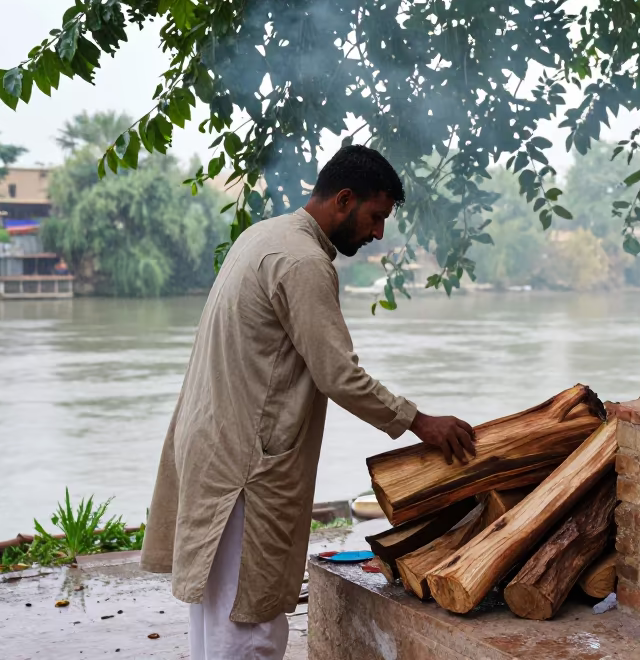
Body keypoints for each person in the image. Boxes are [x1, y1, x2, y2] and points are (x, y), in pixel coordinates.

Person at [140, 145, 476, 660]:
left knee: (216, 617)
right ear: (344, 200)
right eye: (376, 216)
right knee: (248, 626)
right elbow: (338, 374)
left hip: (213, 451)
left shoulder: (262, 236)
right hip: (245, 471)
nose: (379, 233)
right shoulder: (303, 262)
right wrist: (420, 421)